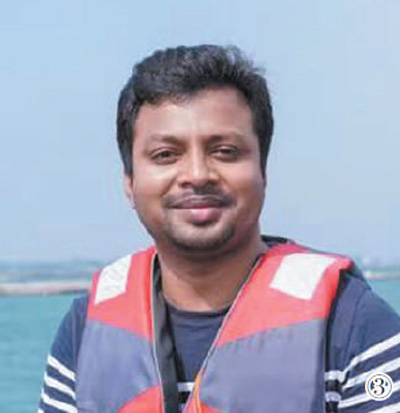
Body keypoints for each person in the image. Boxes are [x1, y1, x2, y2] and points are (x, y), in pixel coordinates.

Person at [39, 45, 400, 413]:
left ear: (263, 171)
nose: (197, 175)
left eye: (225, 151)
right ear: (130, 182)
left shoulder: (354, 324)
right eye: (165, 155)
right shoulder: (86, 331)